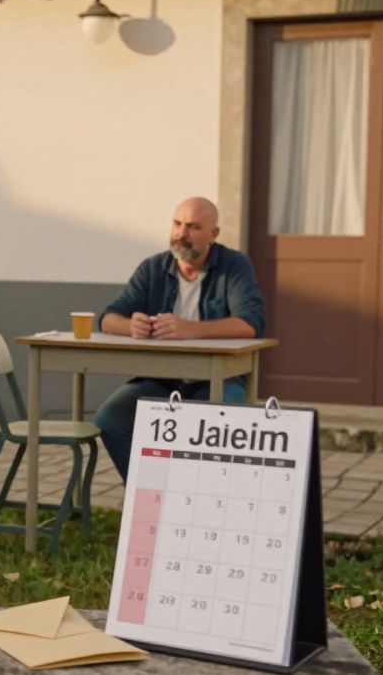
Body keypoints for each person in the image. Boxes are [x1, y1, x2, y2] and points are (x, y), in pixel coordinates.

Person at [93, 197, 265, 480]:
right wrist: (131, 327)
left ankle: (206, 503)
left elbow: (250, 324)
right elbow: (108, 318)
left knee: (223, 424)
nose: (181, 234)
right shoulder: (153, 268)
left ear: (214, 234)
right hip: (161, 378)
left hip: (218, 380)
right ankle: (149, 492)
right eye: (177, 224)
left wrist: (191, 330)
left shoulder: (235, 266)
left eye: (193, 227)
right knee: (111, 419)